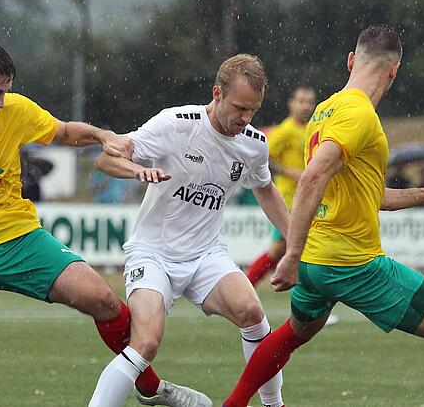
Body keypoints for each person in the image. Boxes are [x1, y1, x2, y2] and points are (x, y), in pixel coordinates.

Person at [0, 39, 208, 407]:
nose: (1, 103)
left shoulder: (13, 110)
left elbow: (64, 132)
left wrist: (103, 136)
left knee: (104, 300)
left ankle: (150, 388)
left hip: (21, 239)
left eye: (5, 93)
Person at [222, 26, 424, 407]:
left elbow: (369, 196)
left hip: (317, 262)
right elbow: (312, 178)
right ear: (394, 71)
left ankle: (233, 404)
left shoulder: (325, 109)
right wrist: (290, 254)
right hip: (351, 263)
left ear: (351, 61)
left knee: (294, 333)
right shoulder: (359, 113)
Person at [89, 54, 290, 407]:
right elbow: (106, 159)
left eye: (253, 111)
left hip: (207, 254)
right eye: (240, 108)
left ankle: (274, 405)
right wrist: (137, 171)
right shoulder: (176, 124)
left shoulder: (254, 144)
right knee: (146, 343)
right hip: (154, 252)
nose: (246, 119)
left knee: (253, 314)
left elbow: (265, 189)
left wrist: (297, 242)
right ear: (216, 93)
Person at [244, 85, 316, 286]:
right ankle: (246, 287)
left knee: (291, 250)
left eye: (310, 102)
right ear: (291, 104)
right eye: (301, 101)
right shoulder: (285, 130)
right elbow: (264, 157)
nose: (306, 106)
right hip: (289, 199)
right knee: (285, 250)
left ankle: (246, 288)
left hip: (307, 198)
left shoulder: (311, 129)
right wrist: (289, 172)